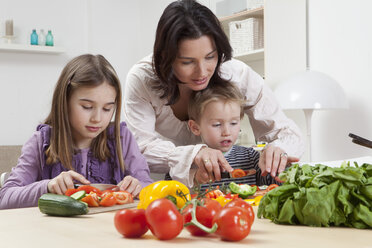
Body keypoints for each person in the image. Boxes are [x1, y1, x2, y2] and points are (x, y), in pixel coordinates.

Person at [123, 0, 304, 188]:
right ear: (165, 59)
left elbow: (287, 133)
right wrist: (194, 153)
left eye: (210, 57)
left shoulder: (237, 75)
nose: (202, 72)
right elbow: (139, 149)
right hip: (178, 182)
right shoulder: (143, 79)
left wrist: (279, 149)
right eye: (187, 62)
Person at [0, 54, 153, 209]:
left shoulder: (122, 139)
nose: (97, 118)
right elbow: (5, 198)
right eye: (87, 107)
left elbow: (149, 188)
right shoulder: (41, 142)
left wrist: (139, 187)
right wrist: (47, 187)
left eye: (107, 108)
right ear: (65, 100)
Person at [186, 82, 279, 190]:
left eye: (234, 123)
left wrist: (276, 165)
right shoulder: (188, 161)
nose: (227, 132)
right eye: (217, 124)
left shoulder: (251, 157)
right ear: (195, 128)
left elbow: (275, 186)